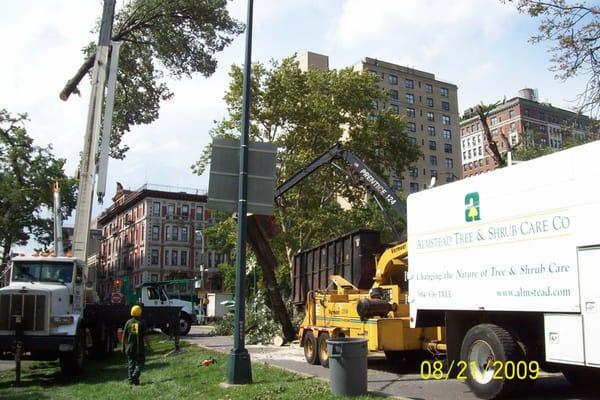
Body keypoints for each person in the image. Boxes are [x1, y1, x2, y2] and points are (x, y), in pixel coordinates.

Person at [122, 305, 152, 385]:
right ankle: (134, 376)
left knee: (131, 364)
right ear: (140, 313)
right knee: (140, 363)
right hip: (139, 349)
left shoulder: (128, 322)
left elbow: (124, 335)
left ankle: (132, 381)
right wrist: (149, 347)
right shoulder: (141, 323)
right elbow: (146, 337)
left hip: (129, 348)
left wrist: (123, 347)